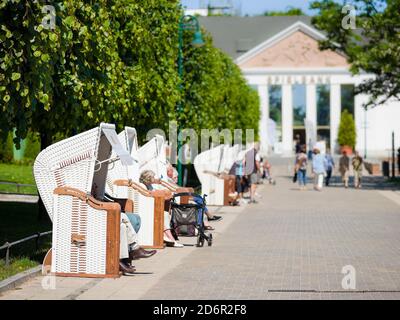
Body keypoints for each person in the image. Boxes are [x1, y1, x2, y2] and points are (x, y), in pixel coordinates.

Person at [139, 170, 184, 248]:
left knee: (165, 215)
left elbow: (154, 192)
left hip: (154, 206)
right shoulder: (143, 185)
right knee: (164, 217)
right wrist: (164, 192)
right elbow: (150, 195)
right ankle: (171, 239)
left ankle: (167, 237)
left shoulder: (149, 185)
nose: (154, 178)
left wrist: (164, 192)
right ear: (148, 178)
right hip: (149, 208)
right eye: (153, 177)